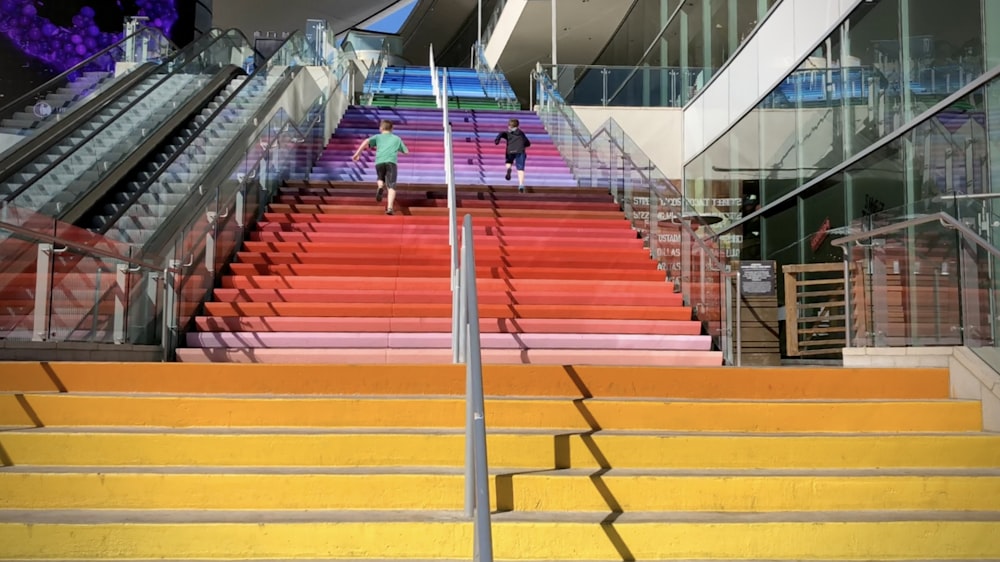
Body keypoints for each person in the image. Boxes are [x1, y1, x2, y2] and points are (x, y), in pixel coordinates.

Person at [352, 119, 409, 215]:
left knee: (380, 177)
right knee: (391, 185)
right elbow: (406, 152)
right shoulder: (397, 138)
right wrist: (399, 150)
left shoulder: (378, 137)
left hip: (379, 162)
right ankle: (390, 207)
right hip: (391, 162)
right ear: (392, 129)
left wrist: (358, 153)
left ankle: (380, 186)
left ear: (381, 128)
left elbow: (366, 141)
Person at [495, 118, 531, 193]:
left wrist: (497, 140)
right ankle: (521, 185)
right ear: (518, 125)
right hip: (520, 150)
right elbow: (527, 142)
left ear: (509, 126)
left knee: (509, 162)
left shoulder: (508, 133)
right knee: (520, 168)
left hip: (510, 150)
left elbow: (501, 133)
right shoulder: (521, 133)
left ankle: (509, 168)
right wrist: (525, 145)